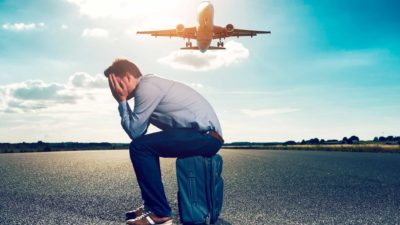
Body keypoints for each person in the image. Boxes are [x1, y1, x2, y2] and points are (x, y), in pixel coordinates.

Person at [104, 59, 224, 225]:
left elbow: (135, 132)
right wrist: (123, 102)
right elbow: (138, 130)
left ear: (127, 77)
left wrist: (122, 101)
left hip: (206, 137)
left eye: (114, 83)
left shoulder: (146, 87)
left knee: (140, 147)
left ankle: (160, 214)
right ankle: (152, 207)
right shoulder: (148, 86)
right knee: (143, 146)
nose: (114, 89)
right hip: (202, 135)